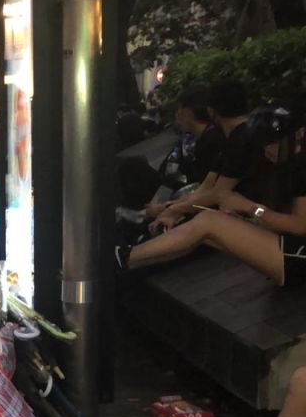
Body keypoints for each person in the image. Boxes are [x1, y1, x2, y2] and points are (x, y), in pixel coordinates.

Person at [117, 106, 306, 287]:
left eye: (271, 142)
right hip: (291, 252)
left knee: (210, 222)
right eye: (264, 143)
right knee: (206, 230)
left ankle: (125, 258)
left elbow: (300, 226)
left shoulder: (300, 165)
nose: (267, 150)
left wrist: (250, 208)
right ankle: (127, 264)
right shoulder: (287, 164)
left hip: (297, 258)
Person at [148, 80, 259, 233]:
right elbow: (207, 187)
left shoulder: (237, 140)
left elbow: (216, 193)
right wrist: (172, 209)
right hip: (245, 213)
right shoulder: (234, 136)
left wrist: (171, 209)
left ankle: (126, 256)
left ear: (211, 110)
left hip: (247, 218)